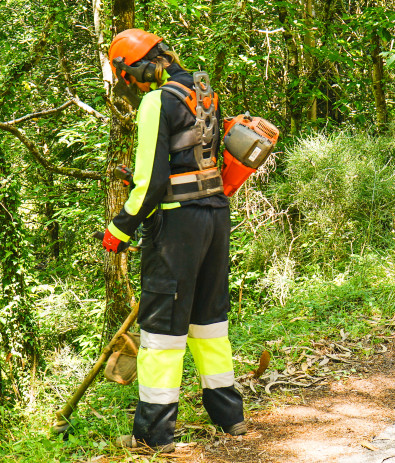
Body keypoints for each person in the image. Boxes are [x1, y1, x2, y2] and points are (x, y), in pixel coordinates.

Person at [102, 29, 246, 452]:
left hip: (177, 226)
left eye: (129, 75)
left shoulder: (156, 101)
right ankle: (229, 415)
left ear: (142, 69)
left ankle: (154, 432)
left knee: (162, 330)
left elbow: (152, 181)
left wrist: (120, 228)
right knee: (209, 321)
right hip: (215, 217)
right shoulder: (204, 91)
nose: (131, 84)